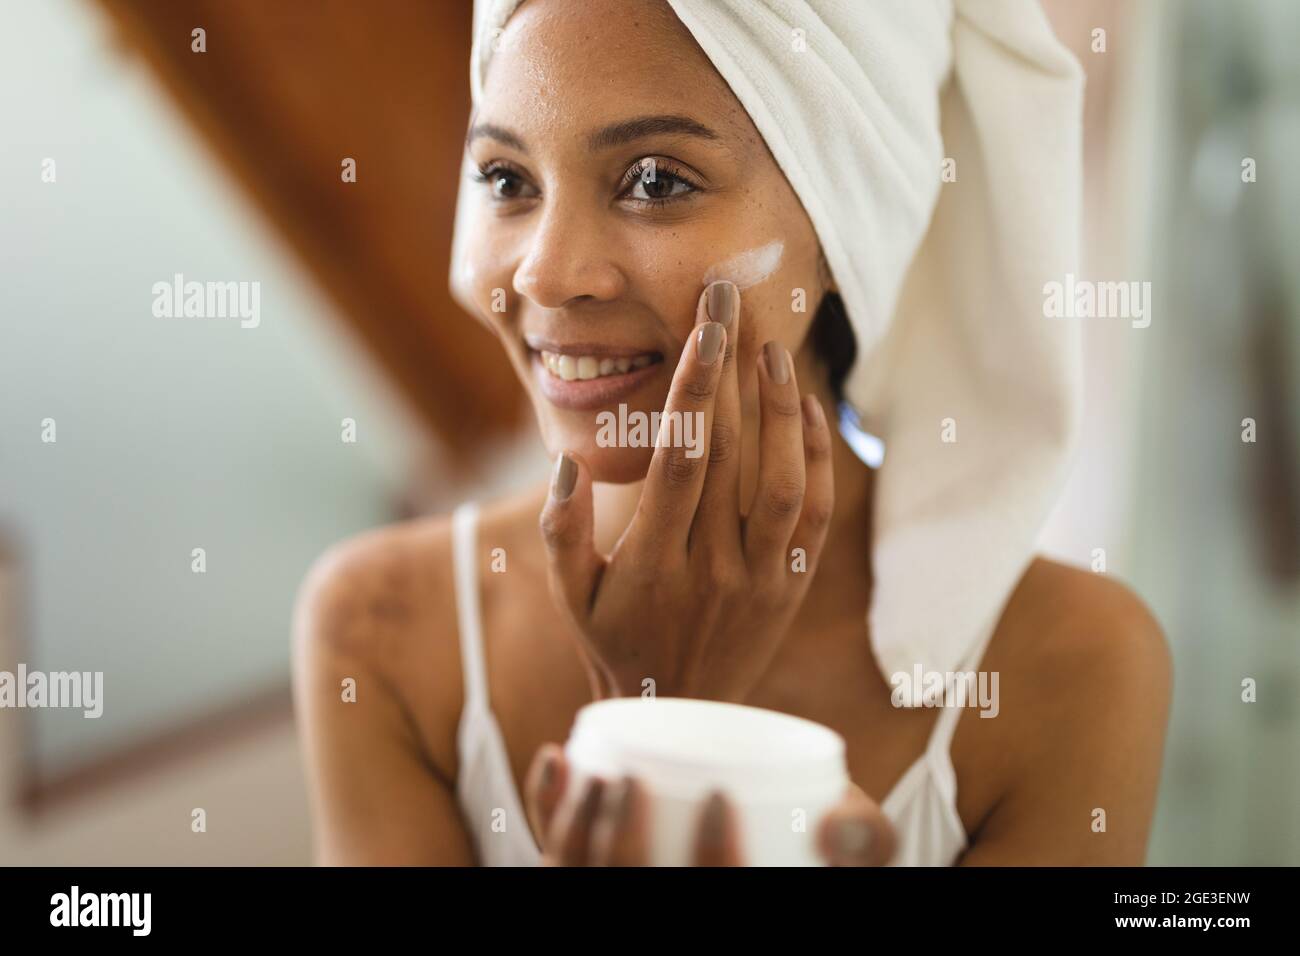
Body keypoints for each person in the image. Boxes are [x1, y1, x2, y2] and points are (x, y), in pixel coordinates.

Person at [292, 0, 1171, 866]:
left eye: (655, 182)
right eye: (506, 179)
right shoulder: (382, 631)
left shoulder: (1071, 670)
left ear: (846, 226)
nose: (547, 274)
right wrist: (666, 714)